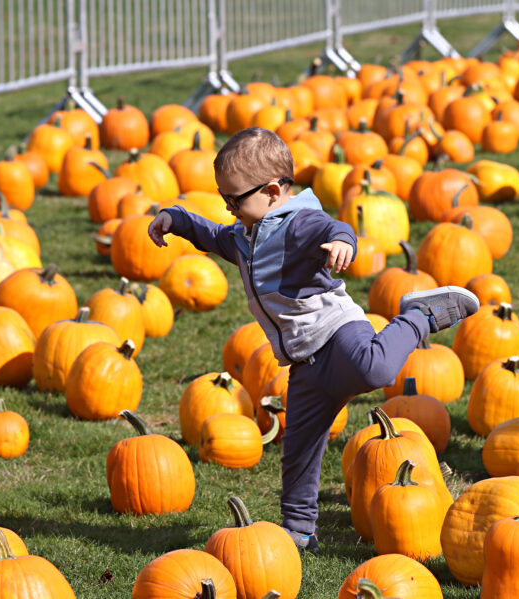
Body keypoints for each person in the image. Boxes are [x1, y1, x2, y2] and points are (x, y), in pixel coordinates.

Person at [147, 127, 478, 552]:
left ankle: (419, 315)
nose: (228, 207)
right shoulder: (245, 234)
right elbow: (211, 235)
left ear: (270, 191)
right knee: (299, 448)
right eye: (223, 198)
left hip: (336, 331)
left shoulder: (298, 224)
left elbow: (335, 226)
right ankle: (300, 529)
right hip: (304, 361)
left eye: (234, 199)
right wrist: (175, 219)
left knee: (374, 367)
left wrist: (342, 244)